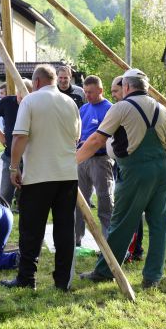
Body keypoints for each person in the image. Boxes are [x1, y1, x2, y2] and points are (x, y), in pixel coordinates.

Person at [77, 69, 166, 289]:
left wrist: (72, 161)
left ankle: (105, 271)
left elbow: (95, 140)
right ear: (146, 87)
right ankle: (152, 277)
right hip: (162, 171)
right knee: (159, 226)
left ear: (127, 87)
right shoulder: (163, 109)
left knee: (121, 223)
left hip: (136, 172)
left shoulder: (121, 108)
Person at [0, 64, 81, 291]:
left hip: (38, 176)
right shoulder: (70, 102)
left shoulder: (30, 101)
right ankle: (62, 281)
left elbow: (19, 138)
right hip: (66, 175)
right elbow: (76, 138)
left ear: (35, 82)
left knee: (31, 230)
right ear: (55, 80)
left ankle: (27, 279)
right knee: (65, 230)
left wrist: (13, 168)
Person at [76, 75, 114, 243]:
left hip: (101, 160)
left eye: (90, 92)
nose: (87, 95)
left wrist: (91, 144)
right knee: (78, 201)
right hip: (82, 160)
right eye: (85, 92)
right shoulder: (83, 109)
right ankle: (76, 237)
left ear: (100, 90)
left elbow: (112, 139)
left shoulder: (110, 109)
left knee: (105, 200)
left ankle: (109, 240)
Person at [0, 78, 33, 207]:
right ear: (17, 92)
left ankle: (20, 209)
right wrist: (0, 135)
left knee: (27, 195)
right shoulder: (7, 102)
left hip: (29, 156)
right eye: (20, 94)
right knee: (5, 193)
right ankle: (2, 215)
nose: (21, 98)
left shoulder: (34, 105)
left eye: (25, 95)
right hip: (10, 155)